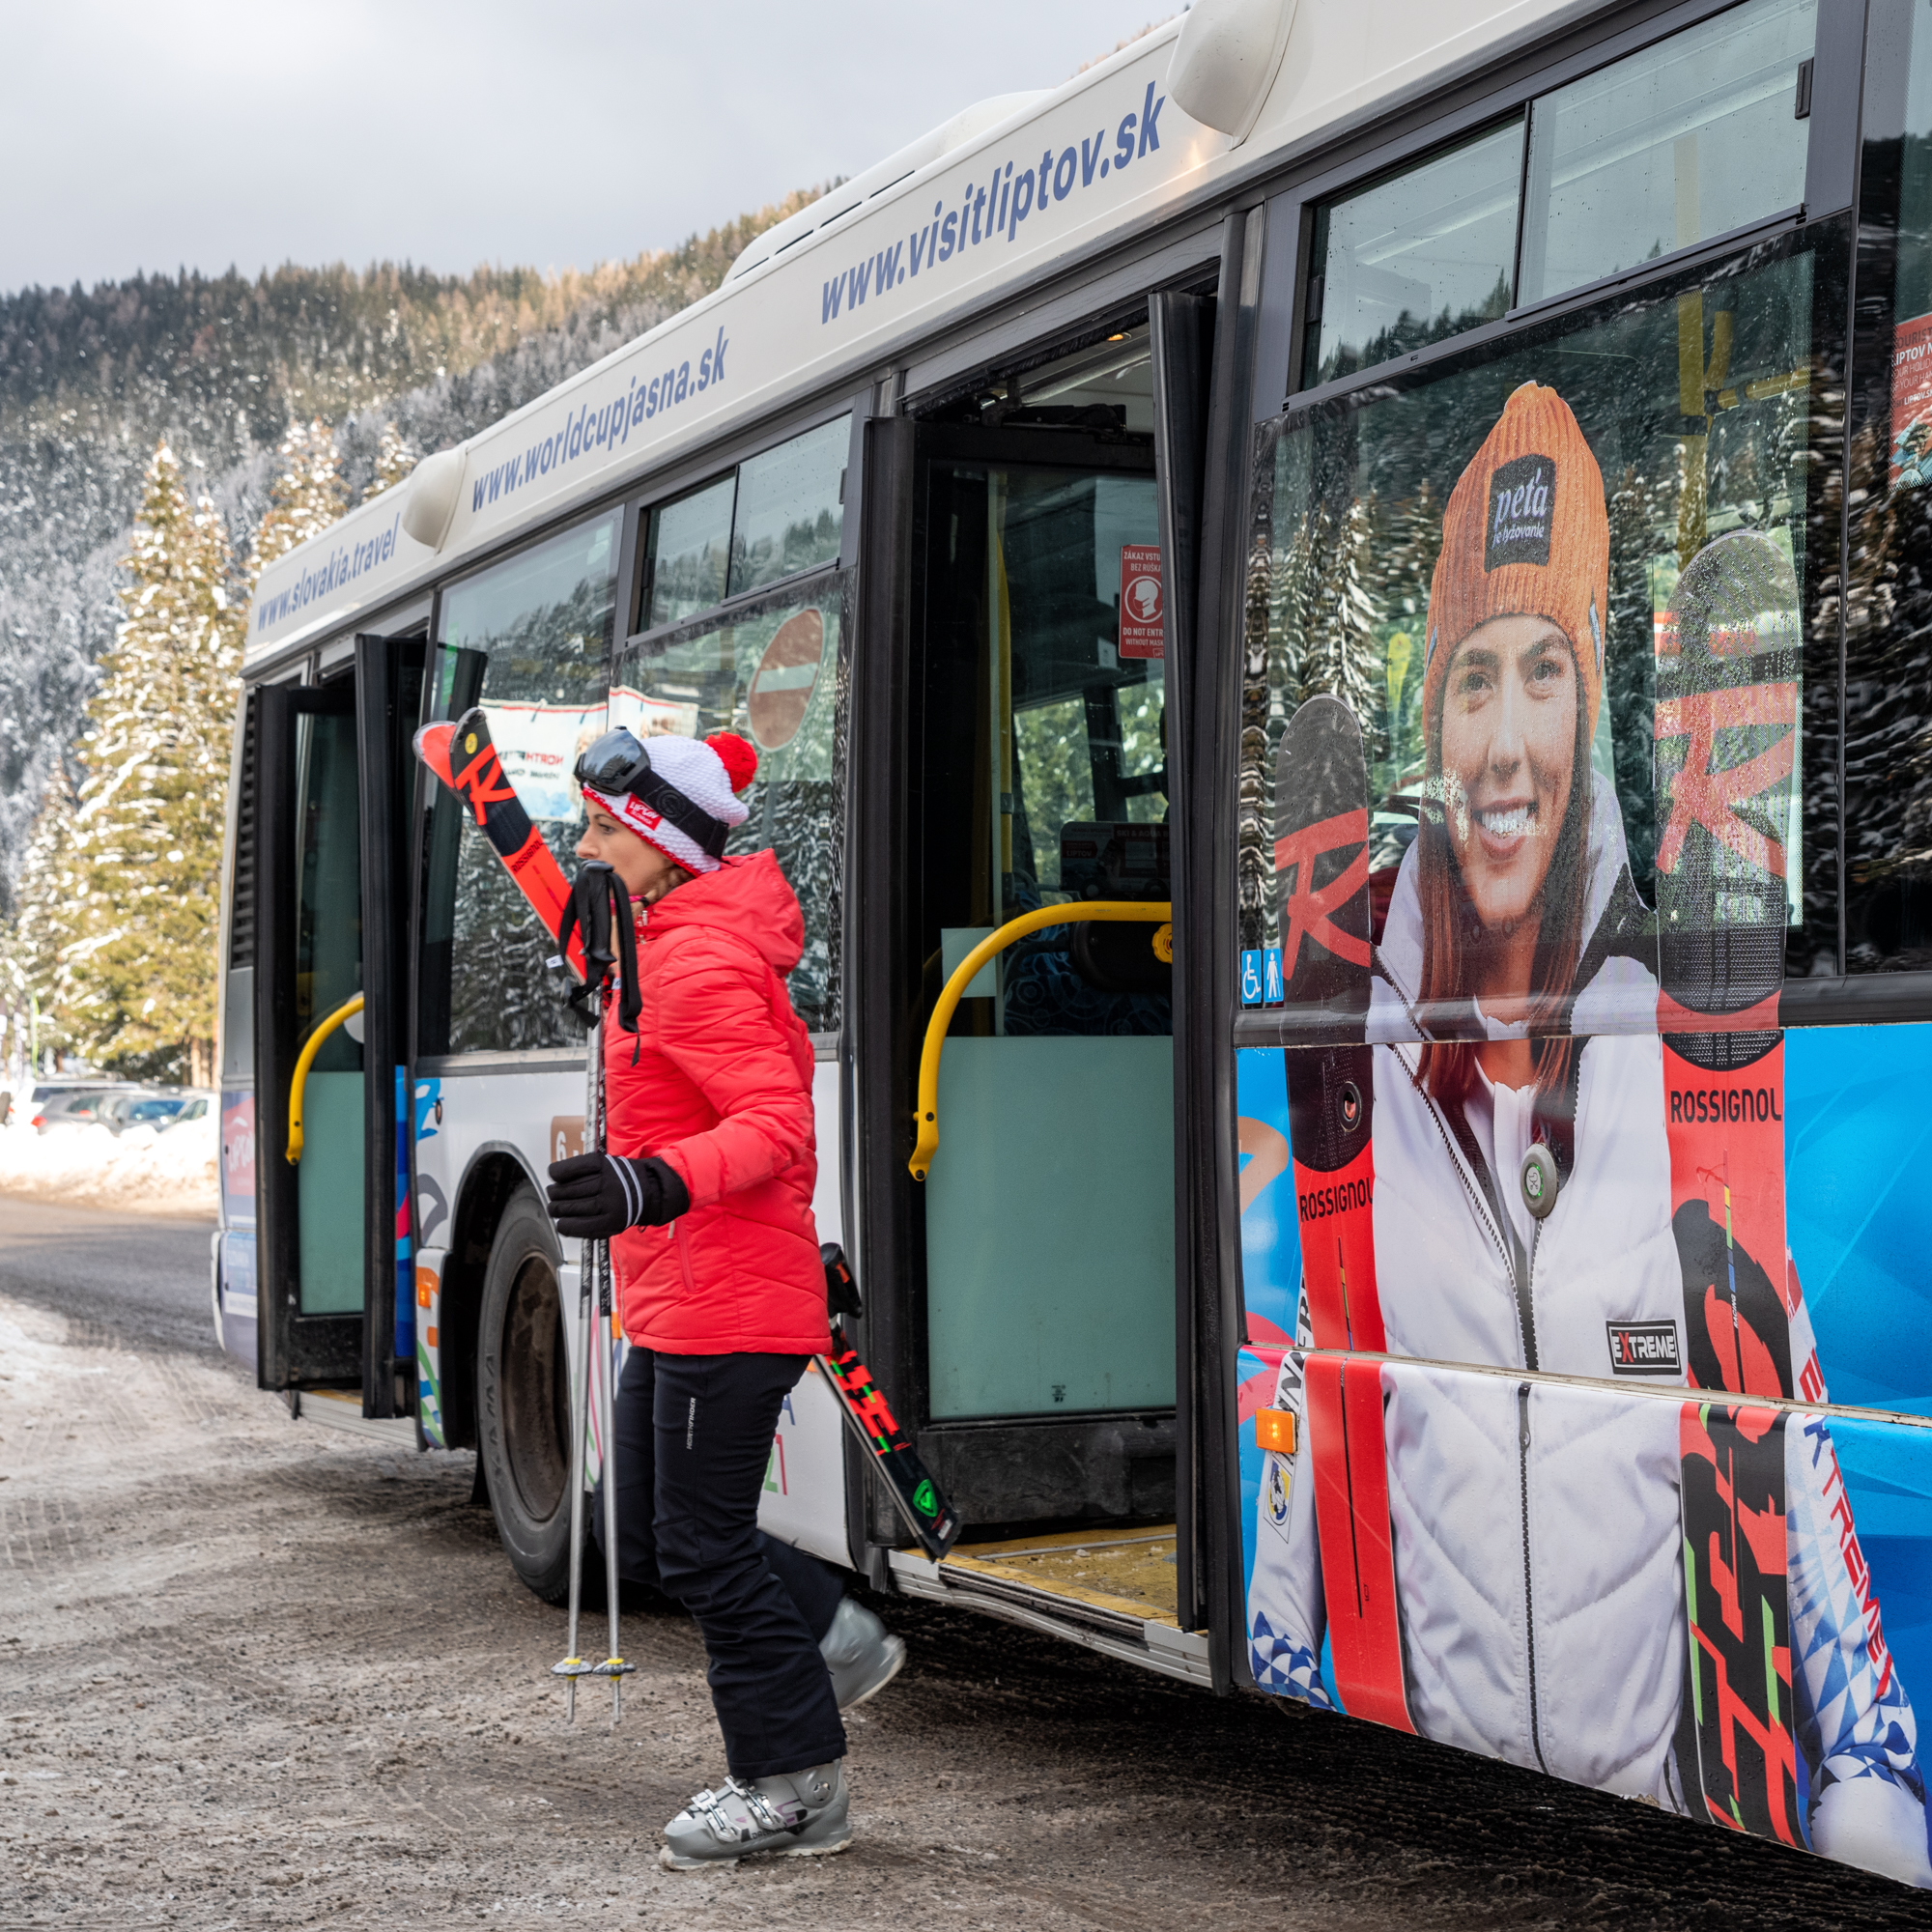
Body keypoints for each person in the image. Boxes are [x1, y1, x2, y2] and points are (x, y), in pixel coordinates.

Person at [1247, 382, 1932, 1882]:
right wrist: (1287, 1698)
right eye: (1472, 678)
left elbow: (1785, 1430)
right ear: (1435, 720)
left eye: (1544, 672)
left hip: (1670, 1790)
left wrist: (1871, 1783)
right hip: (1450, 1825)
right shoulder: (1363, 1089)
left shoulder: (1685, 1078)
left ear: (1591, 707)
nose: (1505, 742)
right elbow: (1314, 1431)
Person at [544, 724, 902, 1871]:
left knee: (699, 1546)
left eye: (602, 829)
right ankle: (832, 1637)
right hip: (679, 1296)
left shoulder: (696, 962)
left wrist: (647, 1181)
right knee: (649, 1528)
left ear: (660, 841)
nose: (584, 846)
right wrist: (490, 806)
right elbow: (576, 913)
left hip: (727, 1301)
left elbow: (776, 1126)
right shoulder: (655, 934)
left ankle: (795, 1789)